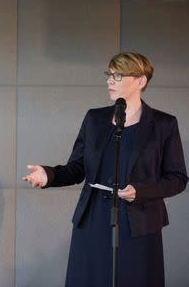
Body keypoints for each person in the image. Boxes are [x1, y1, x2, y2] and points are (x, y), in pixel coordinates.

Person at [23, 52, 187, 287]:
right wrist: (48, 175)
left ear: (140, 81)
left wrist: (139, 191)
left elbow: (177, 178)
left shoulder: (163, 124)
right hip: (93, 219)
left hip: (139, 224)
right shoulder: (94, 119)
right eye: (109, 74)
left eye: (118, 75)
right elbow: (77, 168)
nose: (110, 80)